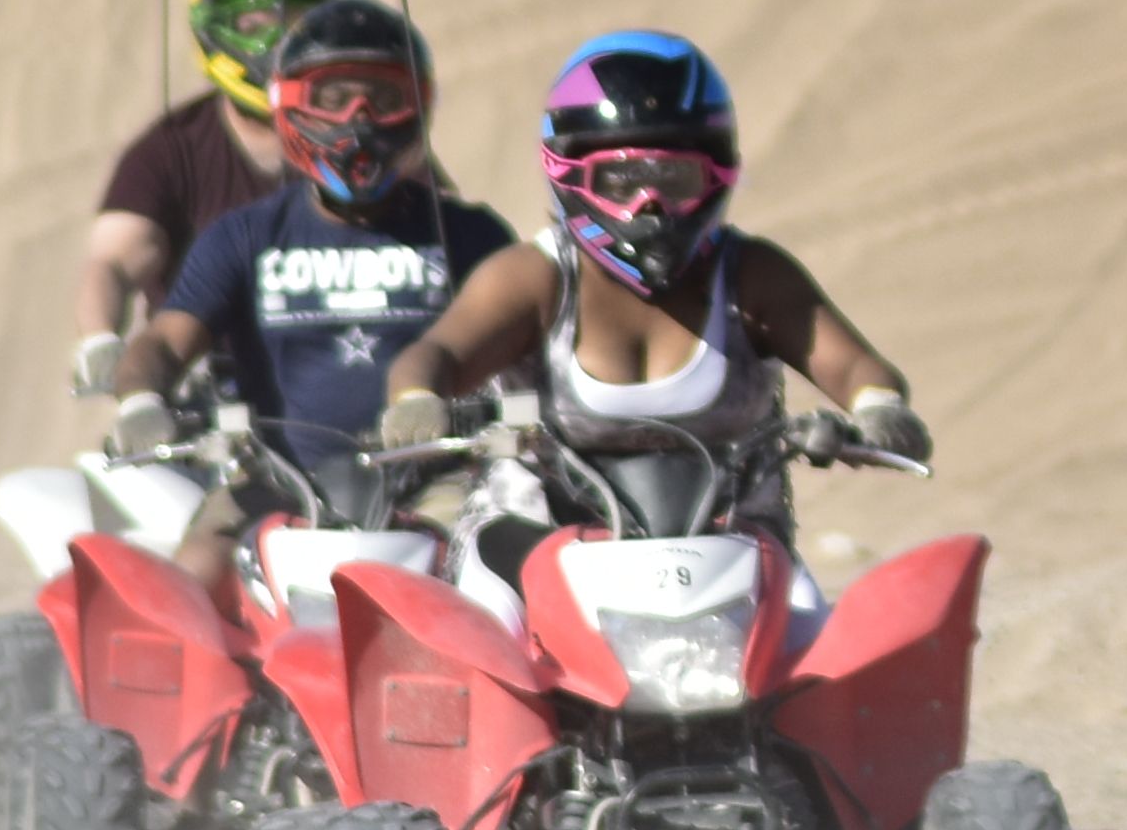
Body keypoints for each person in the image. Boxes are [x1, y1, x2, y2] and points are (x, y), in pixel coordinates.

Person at [380, 30, 925, 551]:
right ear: (567, 174)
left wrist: (879, 407)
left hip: (733, 560)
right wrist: (417, 401)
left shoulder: (752, 276)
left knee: (837, 641)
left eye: (674, 180)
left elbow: (854, 366)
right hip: (532, 551)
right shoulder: (534, 278)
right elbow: (438, 354)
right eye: (619, 182)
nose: (650, 205)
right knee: (475, 640)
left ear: (718, 175)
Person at [108, 0, 516, 567]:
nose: (359, 119)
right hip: (278, 483)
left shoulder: (472, 235)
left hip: (435, 486)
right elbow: (166, 339)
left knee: (483, 579)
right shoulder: (243, 236)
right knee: (195, 575)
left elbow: (531, 342)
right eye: (332, 98)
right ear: (290, 106)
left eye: (384, 97)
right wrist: (140, 401)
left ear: (418, 103)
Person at [69, 0, 332, 403]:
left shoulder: (358, 136)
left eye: (295, 21)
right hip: (214, 400)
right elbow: (113, 257)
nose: (276, 44)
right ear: (212, 31)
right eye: (252, 27)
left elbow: (440, 233)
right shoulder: (171, 149)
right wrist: (102, 340)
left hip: (352, 375)